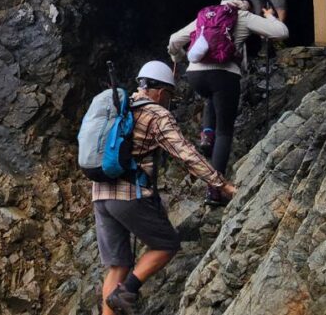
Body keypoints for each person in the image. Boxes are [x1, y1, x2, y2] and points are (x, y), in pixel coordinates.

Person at [94, 61, 236, 315]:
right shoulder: (156, 114)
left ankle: (117, 296)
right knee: (166, 245)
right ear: (161, 92)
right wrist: (221, 184)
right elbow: (186, 154)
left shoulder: (117, 107)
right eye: (170, 96)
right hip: (129, 194)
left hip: (100, 193)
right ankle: (126, 291)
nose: (169, 101)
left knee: (117, 266)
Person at [167, 0, 288, 205]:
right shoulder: (243, 15)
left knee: (210, 98)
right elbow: (281, 33)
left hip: (195, 75)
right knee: (225, 131)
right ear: (247, 3)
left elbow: (174, 39)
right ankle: (214, 191)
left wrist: (180, 57)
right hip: (224, 75)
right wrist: (270, 17)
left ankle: (206, 135)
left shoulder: (207, 16)